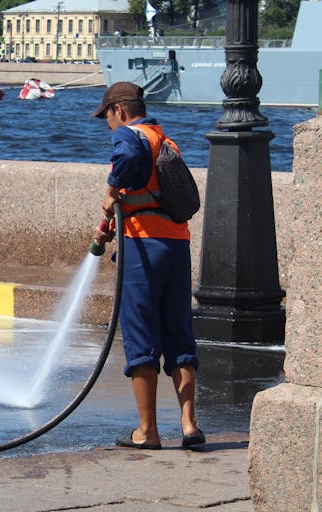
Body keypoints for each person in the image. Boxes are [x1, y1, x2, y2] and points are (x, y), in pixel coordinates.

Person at [91, 81, 205, 450]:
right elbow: (150, 192)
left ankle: (147, 431)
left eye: (108, 117)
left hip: (143, 249)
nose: (109, 125)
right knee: (179, 334)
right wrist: (111, 219)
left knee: (140, 336)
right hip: (176, 245)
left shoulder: (129, 134)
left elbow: (125, 159)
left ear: (119, 111)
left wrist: (111, 192)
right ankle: (189, 424)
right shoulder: (164, 140)